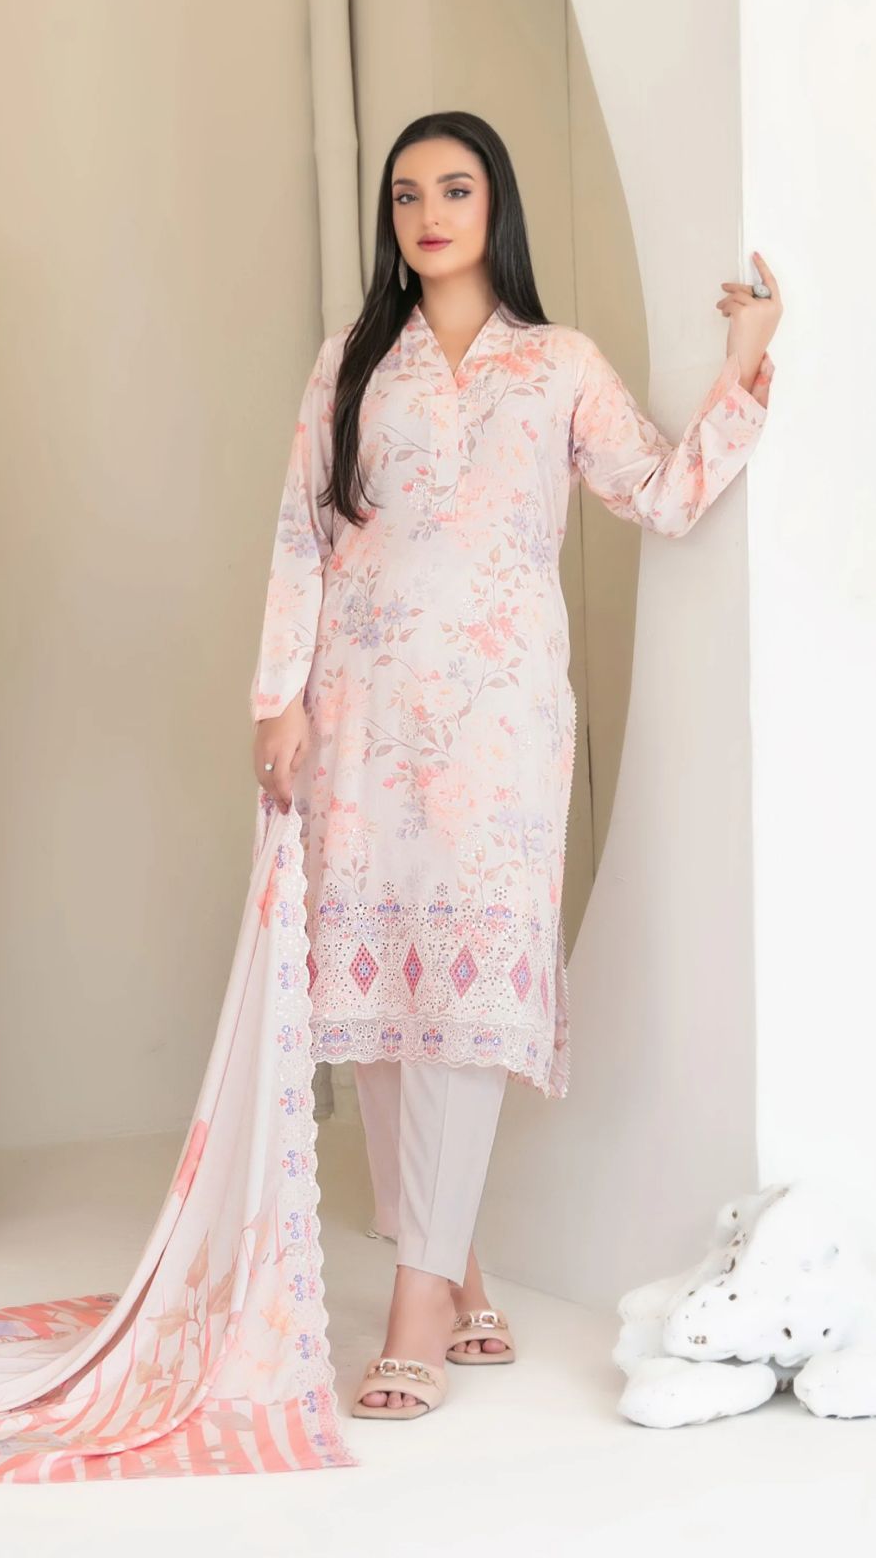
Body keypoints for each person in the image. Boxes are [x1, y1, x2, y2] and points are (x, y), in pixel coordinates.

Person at [249, 110, 779, 1419]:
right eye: (407, 194)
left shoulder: (556, 365)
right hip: (360, 716)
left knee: (462, 1005)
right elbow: (301, 535)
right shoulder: (349, 364)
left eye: (455, 189)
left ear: (496, 208)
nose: (429, 214)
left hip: (496, 730)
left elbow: (661, 494)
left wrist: (745, 364)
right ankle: (456, 1274)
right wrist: (277, 698)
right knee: (377, 1010)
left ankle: (416, 1303)